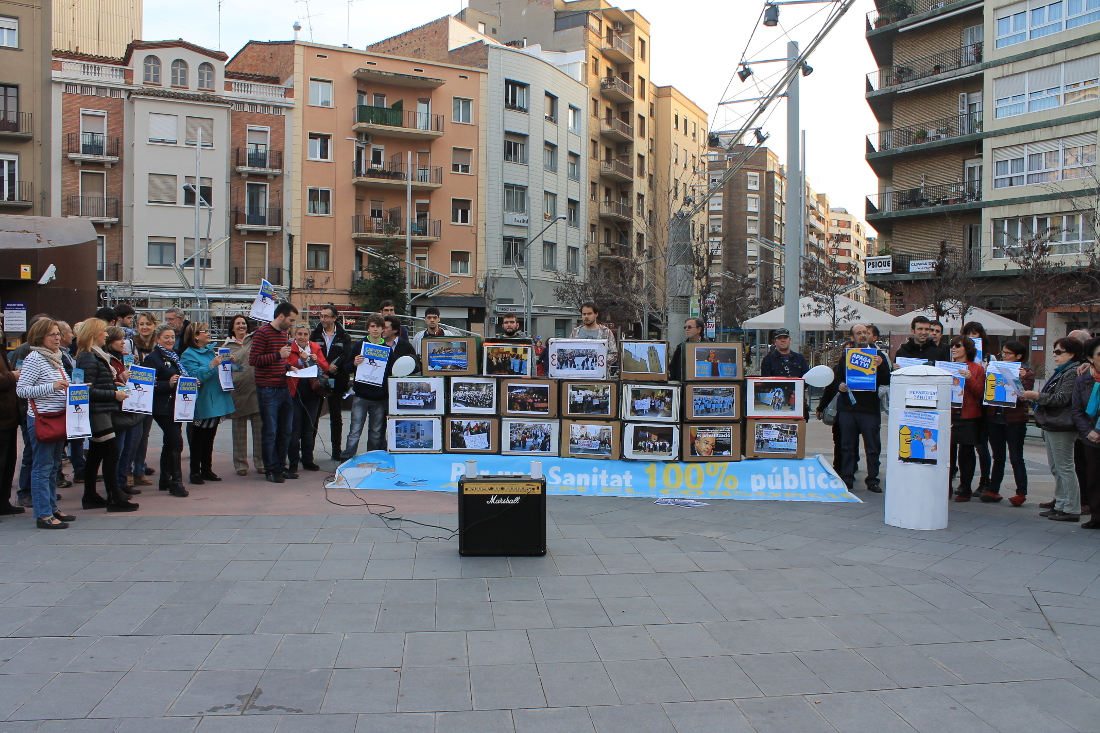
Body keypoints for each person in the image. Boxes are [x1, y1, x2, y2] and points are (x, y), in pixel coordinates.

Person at [817, 324, 891, 493]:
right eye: (859, 333)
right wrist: (840, 385)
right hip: (848, 408)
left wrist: (881, 366)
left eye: (865, 332)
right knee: (847, 446)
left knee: (872, 447)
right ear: (852, 338)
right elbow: (836, 379)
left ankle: (872, 480)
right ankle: (847, 478)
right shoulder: (846, 357)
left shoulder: (878, 356)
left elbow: (887, 380)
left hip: (870, 409)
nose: (863, 335)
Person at [74, 319, 137, 512]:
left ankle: (91, 495)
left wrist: (113, 385)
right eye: (103, 332)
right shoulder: (88, 357)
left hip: (100, 411)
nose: (106, 335)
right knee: (110, 453)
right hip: (98, 412)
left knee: (96, 454)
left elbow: (94, 384)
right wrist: (113, 393)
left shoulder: (93, 355)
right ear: (94, 334)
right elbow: (86, 390)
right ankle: (114, 497)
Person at [15, 319, 73, 527]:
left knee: (53, 466)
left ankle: (51, 508)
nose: (57, 337)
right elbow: (22, 390)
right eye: (52, 335)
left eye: (58, 333)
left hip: (58, 416)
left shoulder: (56, 358)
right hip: (43, 419)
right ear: (40, 338)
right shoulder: (35, 358)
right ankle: (43, 513)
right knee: (42, 466)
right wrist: (52, 387)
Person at [1024, 337, 1082, 520]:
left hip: (1062, 424)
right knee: (1057, 467)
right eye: (1054, 351)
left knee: (1064, 467)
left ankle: (1071, 508)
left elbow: (1062, 398)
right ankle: (1061, 503)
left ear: (1071, 354)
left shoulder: (1072, 372)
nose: (1055, 355)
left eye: (1059, 352)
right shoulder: (1063, 371)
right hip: (1053, 423)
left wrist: (1036, 396)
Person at [342, 314, 416, 457]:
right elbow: (346, 368)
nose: (375, 329)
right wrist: (354, 363)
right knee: (355, 430)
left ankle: (373, 458)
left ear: (382, 329)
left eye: (378, 326)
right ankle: (347, 458)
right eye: (372, 326)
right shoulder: (359, 345)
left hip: (379, 397)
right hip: (361, 395)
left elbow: (392, 373)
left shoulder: (387, 350)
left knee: (376, 432)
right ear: (368, 328)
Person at [980, 341, 1035, 506]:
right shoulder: (995, 368)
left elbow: (1024, 396)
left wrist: (1021, 379)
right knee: (998, 456)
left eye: (1008, 353)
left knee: (1016, 457)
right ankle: (993, 489)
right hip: (995, 417)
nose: (1004, 356)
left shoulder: (1028, 373)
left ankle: (1021, 492)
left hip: (1014, 420)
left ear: (1018, 356)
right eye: (1003, 353)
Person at [180, 322, 235, 485]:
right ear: (195, 336)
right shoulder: (188, 355)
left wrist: (228, 364)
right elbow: (195, 376)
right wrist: (212, 364)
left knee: (210, 437)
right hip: (203, 401)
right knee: (198, 438)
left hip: (216, 399)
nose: (208, 333)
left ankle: (207, 469)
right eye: (205, 331)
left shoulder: (210, 351)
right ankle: (194, 471)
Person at [250, 302, 298, 483]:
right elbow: (253, 360)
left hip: (282, 385)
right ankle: (270, 469)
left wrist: (288, 365)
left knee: (286, 430)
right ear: (281, 317)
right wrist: (278, 355)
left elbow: (280, 359)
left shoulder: (283, 334)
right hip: (267, 388)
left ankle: (280, 465)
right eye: (291, 320)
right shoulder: (262, 333)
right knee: (270, 430)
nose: (292, 324)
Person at [144, 325, 188, 497]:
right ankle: (176, 483)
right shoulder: (152, 358)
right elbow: (146, 386)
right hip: (162, 407)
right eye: (165, 337)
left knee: (170, 442)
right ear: (157, 339)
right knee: (176, 442)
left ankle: (165, 478)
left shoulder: (174, 356)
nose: (170, 340)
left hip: (176, 406)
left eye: (172, 337)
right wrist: (167, 384)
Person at [104, 326, 142, 499]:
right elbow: (108, 383)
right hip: (117, 410)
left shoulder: (122, 357)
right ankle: (115, 486)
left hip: (128, 407)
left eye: (124, 339)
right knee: (117, 450)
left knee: (128, 447)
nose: (123, 342)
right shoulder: (107, 359)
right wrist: (121, 378)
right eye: (119, 339)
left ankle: (122, 481)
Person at [310, 304, 353, 457]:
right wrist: (324, 368)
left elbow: (346, 354)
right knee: (314, 415)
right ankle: (308, 451)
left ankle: (336, 450)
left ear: (334, 318)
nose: (323, 319)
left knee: (336, 416)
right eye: (321, 316)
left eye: (326, 316)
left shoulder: (344, 336)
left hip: (337, 380)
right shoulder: (315, 335)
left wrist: (334, 366)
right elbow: (311, 351)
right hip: (318, 380)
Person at [224, 315, 264, 476]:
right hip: (238, 392)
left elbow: (268, 323)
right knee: (239, 432)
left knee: (260, 430)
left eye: (243, 323)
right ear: (232, 327)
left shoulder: (254, 340)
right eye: (237, 323)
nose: (241, 326)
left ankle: (261, 462)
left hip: (256, 390)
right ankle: (240, 464)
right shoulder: (226, 346)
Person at [947, 336, 986, 502]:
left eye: (957, 345)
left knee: (966, 452)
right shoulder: (946, 366)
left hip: (968, 414)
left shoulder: (977, 368)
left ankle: (965, 487)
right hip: (949, 413)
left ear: (967, 349)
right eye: (952, 346)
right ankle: (946, 485)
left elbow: (980, 393)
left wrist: (969, 378)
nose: (953, 348)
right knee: (948, 453)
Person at [288, 325, 329, 473]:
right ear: (294, 335)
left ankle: (308, 460)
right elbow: (286, 366)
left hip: (312, 393)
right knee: (295, 428)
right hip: (295, 393)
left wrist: (317, 360)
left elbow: (326, 367)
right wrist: (299, 360)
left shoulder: (315, 347)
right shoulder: (289, 347)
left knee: (309, 428)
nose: (302, 337)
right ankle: (293, 461)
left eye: (305, 334)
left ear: (309, 336)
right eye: (299, 334)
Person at [1072, 336, 1100, 529]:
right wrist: (1089, 431)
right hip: (1091, 438)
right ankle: (1096, 515)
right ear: (1091, 358)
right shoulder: (1083, 379)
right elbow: (1076, 410)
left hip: (1097, 431)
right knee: (1094, 477)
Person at [128, 312, 159, 486]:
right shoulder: (131, 344)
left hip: (153, 394)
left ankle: (139, 470)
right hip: (136, 394)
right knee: (135, 435)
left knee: (144, 435)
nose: (144, 327)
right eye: (141, 324)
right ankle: (127, 470)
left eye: (148, 324)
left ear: (154, 325)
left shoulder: (157, 345)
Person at [0, 313, 23, 516]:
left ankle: (3, 501)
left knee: (8, 463)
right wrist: (12, 376)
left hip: (8, 417)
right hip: (1, 417)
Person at [570, 302, 618, 367]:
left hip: (599, 374)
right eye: (584, 314)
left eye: (589, 314)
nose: (586, 316)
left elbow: (613, 353)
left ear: (596, 314)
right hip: (579, 373)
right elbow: (570, 350)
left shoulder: (606, 332)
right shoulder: (575, 332)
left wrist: (600, 363)